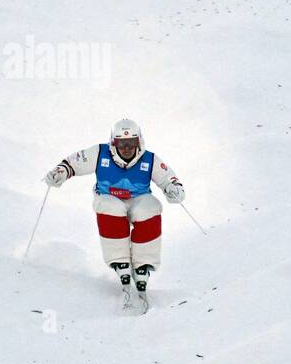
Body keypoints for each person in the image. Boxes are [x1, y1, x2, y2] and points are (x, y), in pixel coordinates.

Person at [43, 118, 186, 294]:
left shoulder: (149, 159)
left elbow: (167, 178)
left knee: (150, 208)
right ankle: (120, 260)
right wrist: (61, 172)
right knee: (110, 207)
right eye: (121, 144)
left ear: (139, 142)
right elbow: (74, 162)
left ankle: (144, 264)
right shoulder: (100, 153)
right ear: (113, 143)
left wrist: (174, 189)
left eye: (131, 143)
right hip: (108, 195)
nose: (126, 149)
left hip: (138, 198)